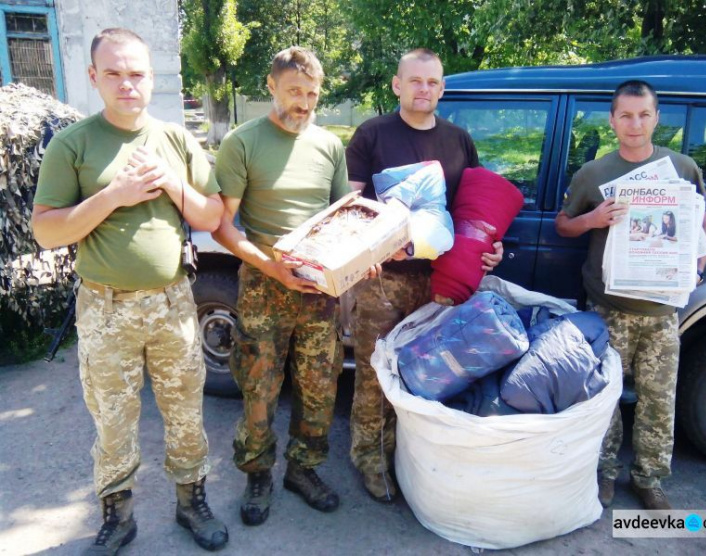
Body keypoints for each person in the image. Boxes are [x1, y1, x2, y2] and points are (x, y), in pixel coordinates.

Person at [31, 28, 228, 553]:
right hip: (106, 307)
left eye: (136, 73)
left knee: (186, 413)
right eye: (113, 73)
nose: (126, 84)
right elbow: (47, 230)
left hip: (174, 305)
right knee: (113, 420)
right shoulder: (72, 145)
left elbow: (212, 214)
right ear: (94, 77)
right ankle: (117, 516)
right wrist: (114, 195)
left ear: (151, 77)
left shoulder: (176, 140)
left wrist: (172, 183)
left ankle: (192, 503)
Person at [345, 48, 503, 503]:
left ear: (442, 88)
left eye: (433, 83)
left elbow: (472, 210)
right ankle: (369, 457)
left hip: (440, 279)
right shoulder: (372, 134)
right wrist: (377, 239)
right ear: (397, 85)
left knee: (427, 372)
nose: (424, 90)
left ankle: (407, 456)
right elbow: (350, 204)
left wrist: (491, 248)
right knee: (375, 373)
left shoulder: (458, 140)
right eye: (415, 81)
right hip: (384, 278)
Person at [555, 80, 706, 510]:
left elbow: (703, 223)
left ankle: (649, 479)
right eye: (625, 115)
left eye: (644, 114)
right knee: (604, 395)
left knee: (659, 400)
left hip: (663, 310)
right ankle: (605, 472)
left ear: (657, 118)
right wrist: (592, 219)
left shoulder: (682, 168)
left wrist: (697, 267)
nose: (635, 124)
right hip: (609, 308)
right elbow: (563, 225)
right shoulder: (594, 173)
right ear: (612, 120)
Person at [212, 47, 349, 526]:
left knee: (318, 386)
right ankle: (258, 473)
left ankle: (303, 470)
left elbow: (342, 220)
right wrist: (272, 269)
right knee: (259, 386)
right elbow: (222, 228)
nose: (304, 103)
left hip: (319, 291)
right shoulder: (241, 142)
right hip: (263, 287)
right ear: (271, 87)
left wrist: (359, 260)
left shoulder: (330, 146)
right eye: (295, 91)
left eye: (312, 93)